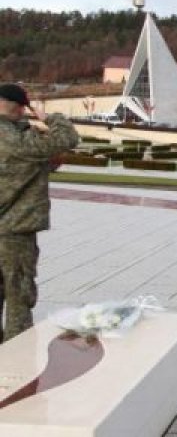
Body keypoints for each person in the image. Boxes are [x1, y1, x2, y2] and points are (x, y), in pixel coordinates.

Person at [0, 84, 79, 343]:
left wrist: (44, 165)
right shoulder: (16, 137)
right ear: (21, 106)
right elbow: (67, 138)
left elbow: (16, 169)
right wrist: (49, 117)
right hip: (14, 232)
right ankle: (17, 359)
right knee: (18, 297)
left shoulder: (18, 138)